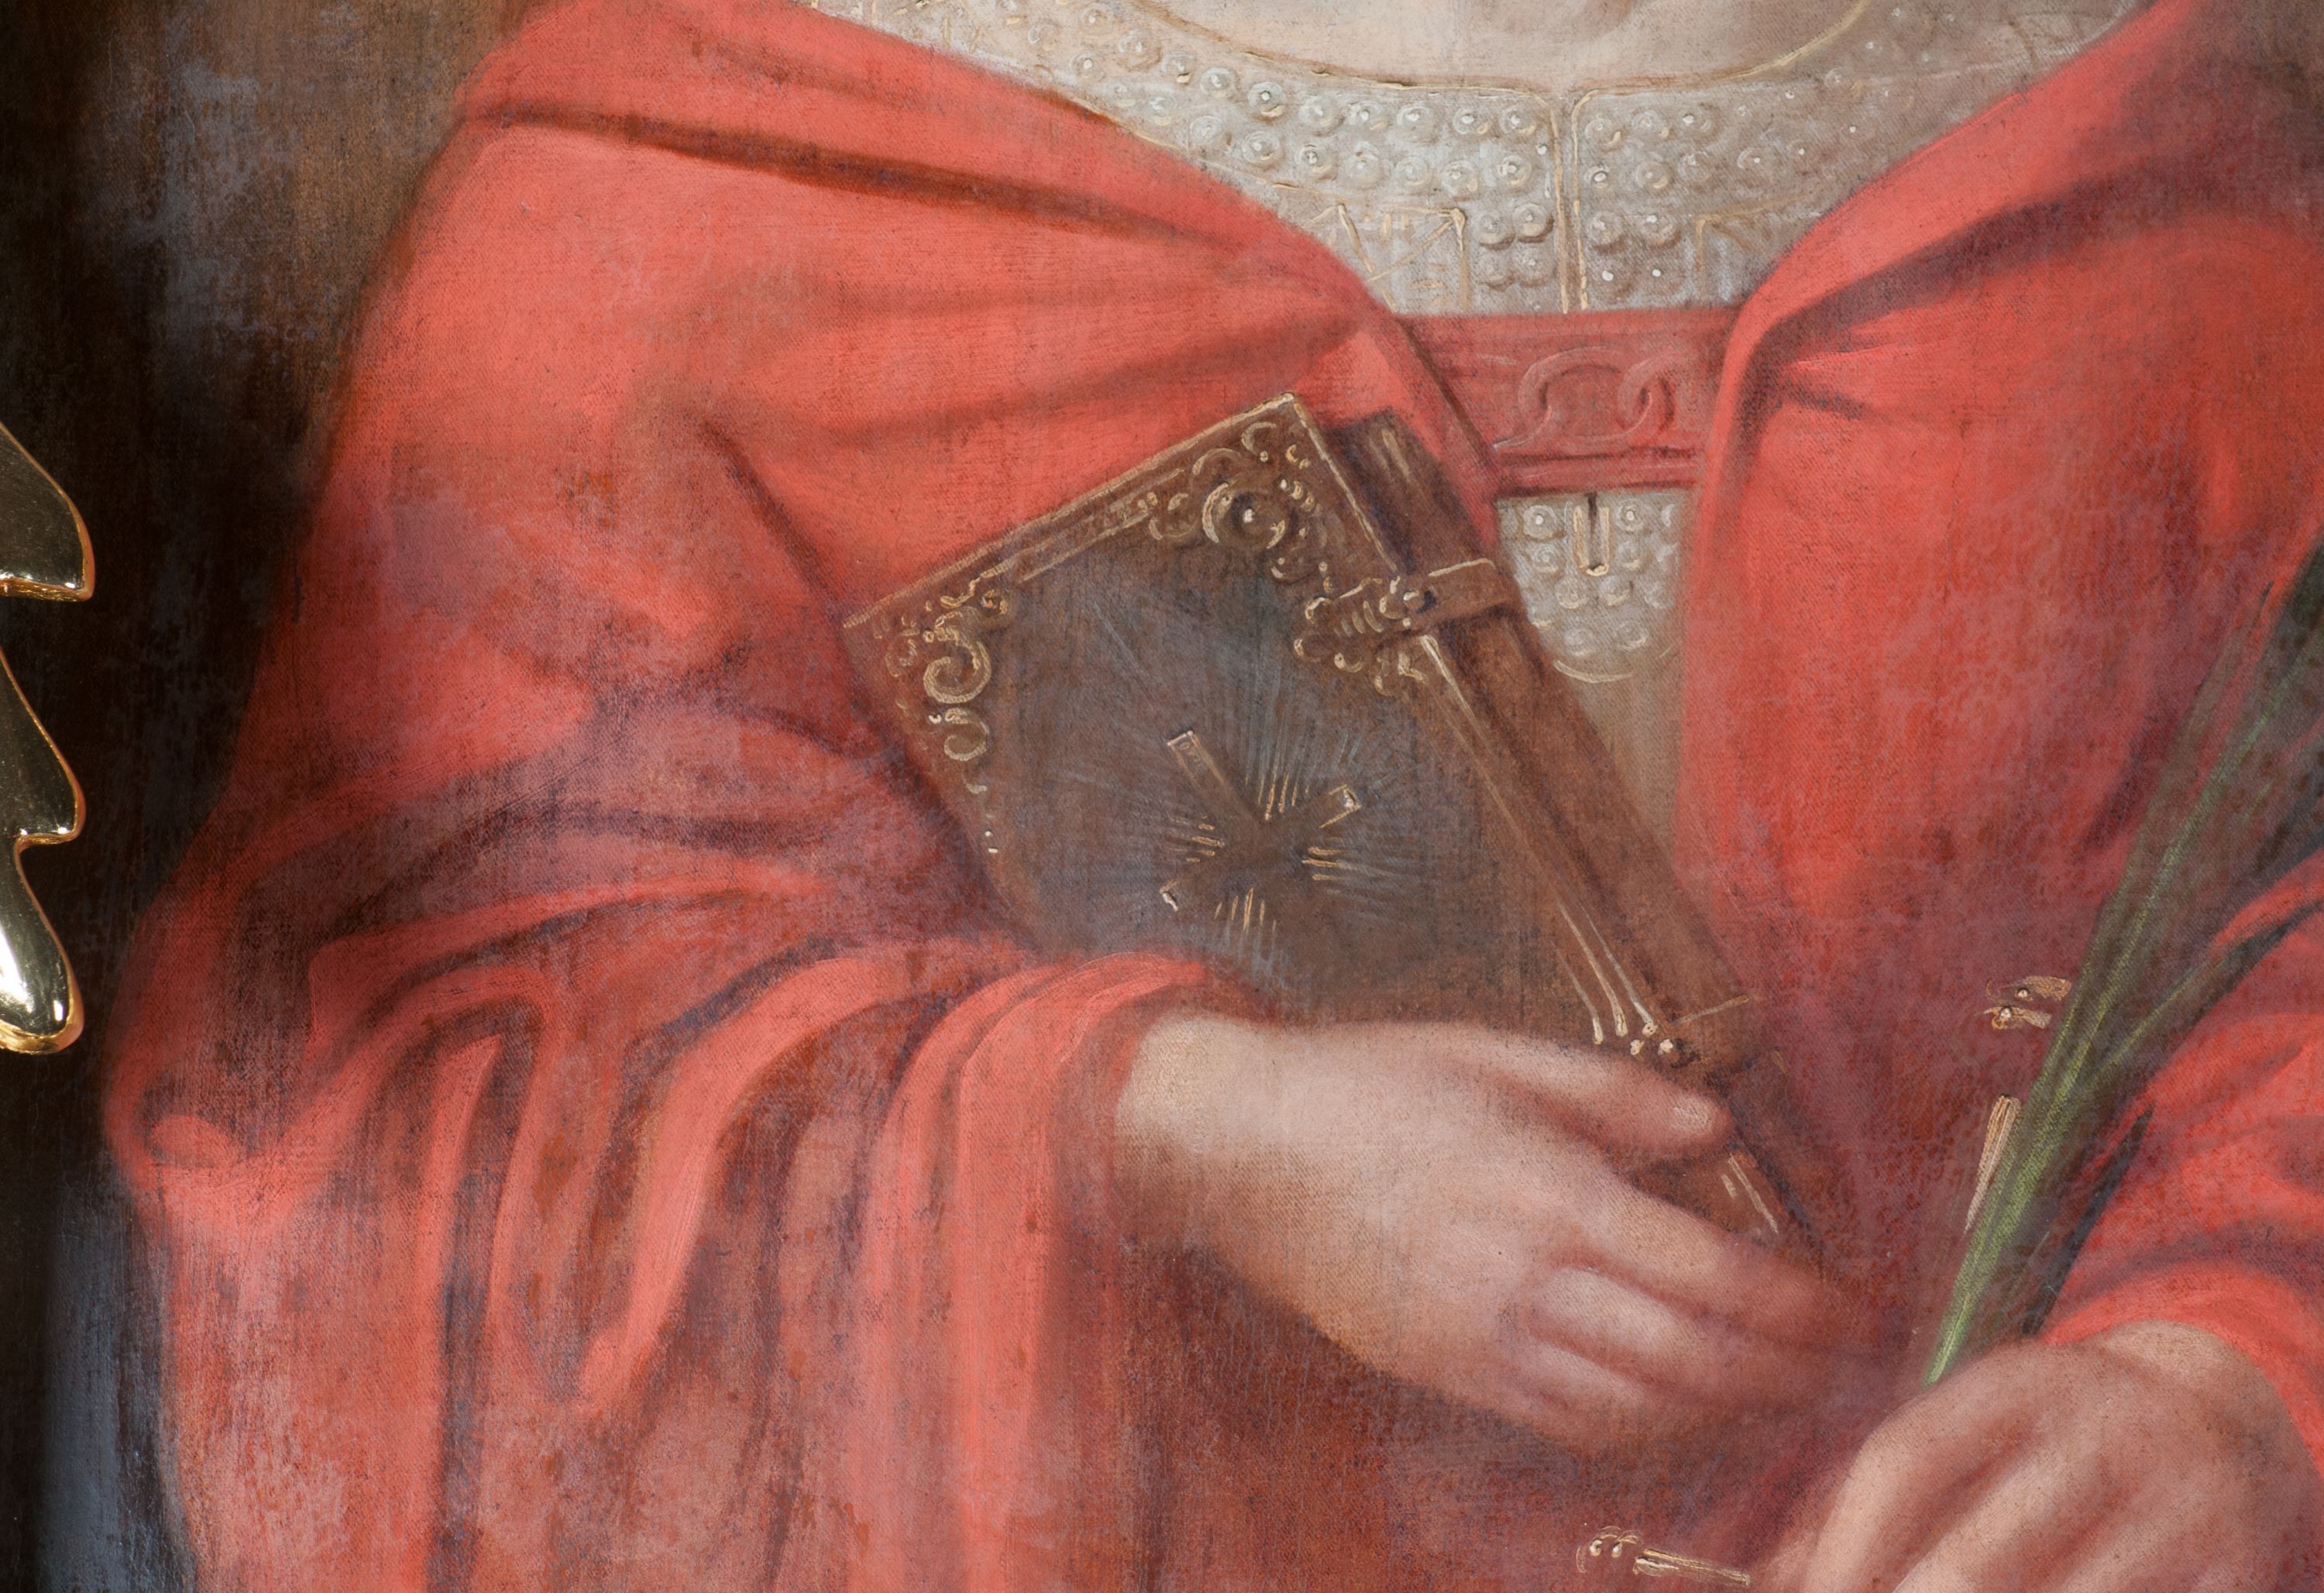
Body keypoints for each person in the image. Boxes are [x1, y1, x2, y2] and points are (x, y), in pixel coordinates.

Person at [100, 0, 2324, 1585]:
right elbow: (392, 1096)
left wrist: (2231, 1382)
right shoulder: (697, 172)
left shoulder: (2154, 142)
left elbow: (2282, 941)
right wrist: (1179, 1133)